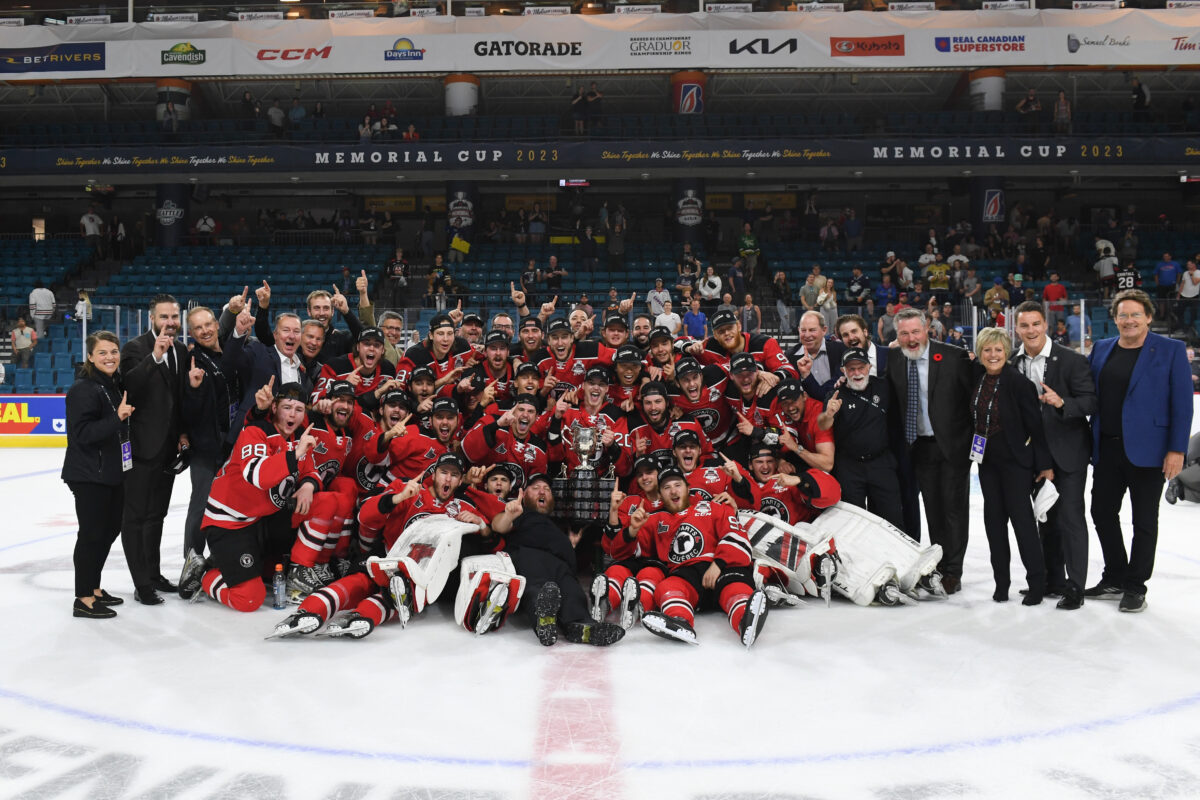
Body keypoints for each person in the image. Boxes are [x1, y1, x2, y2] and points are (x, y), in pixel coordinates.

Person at [1086, 289, 1192, 613]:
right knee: (1102, 513)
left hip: (1150, 452)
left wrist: (1176, 449)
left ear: (1148, 316)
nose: (1128, 320)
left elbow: (1183, 404)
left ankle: (1136, 585)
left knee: (1144, 520)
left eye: (1135, 314)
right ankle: (1115, 575)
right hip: (1107, 448)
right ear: (1114, 319)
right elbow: (1087, 393)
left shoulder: (1171, 350)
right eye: (1122, 315)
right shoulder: (1102, 349)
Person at [1012, 301, 1097, 610]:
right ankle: (1052, 579)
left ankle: (1075, 586)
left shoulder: (1071, 360)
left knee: (1071, 519)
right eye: (1024, 325)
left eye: (1036, 324)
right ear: (1017, 328)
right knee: (1045, 518)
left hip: (1069, 453)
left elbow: (1089, 402)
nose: (1031, 330)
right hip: (1035, 455)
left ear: (1045, 325)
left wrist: (1062, 403)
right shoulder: (1013, 361)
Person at [887, 308, 974, 594]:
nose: (911, 339)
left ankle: (953, 571)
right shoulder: (894, 358)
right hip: (919, 447)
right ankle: (939, 563)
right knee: (934, 509)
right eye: (904, 334)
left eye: (915, 332)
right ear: (896, 336)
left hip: (952, 447)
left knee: (954, 510)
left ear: (927, 329)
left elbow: (974, 396)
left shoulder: (954, 356)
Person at [972, 327, 1055, 605]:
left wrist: (1043, 464)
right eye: (987, 349)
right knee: (994, 524)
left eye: (998, 349)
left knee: (1023, 525)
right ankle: (1001, 583)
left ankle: (1037, 583)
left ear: (1006, 352)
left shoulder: (1019, 383)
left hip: (1017, 465)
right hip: (987, 465)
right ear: (981, 353)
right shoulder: (978, 379)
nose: (992, 355)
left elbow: (1036, 426)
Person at [489, 476, 624, 646]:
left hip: (561, 564)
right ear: (524, 495)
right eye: (536, 487)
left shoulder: (555, 526)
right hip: (529, 557)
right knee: (538, 588)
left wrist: (568, 545)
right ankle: (544, 621)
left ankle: (583, 628)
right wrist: (508, 515)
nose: (542, 491)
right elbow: (497, 526)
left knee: (573, 594)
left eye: (546, 488)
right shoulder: (520, 513)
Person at [120, 295, 191, 605]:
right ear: (152, 319)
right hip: (139, 447)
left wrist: (183, 434)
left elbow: (178, 398)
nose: (170, 323)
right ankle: (141, 584)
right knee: (135, 518)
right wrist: (155, 356)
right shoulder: (135, 348)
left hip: (167, 449)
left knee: (157, 516)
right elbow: (129, 386)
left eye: (174, 317)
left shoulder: (182, 350)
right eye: (164, 317)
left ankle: (153, 573)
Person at [62, 331, 135, 619]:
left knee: (109, 530)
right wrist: (116, 419)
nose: (110, 357)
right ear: (90, 356)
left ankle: (93, 587)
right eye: (102, 352)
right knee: (92, 535)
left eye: (114, 351)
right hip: (89, 474)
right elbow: (82, 434)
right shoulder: (84, 389)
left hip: (111, 472)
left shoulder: (112, 384)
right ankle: (83, 597)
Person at [817, 349, 905, 531]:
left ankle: (895, 559)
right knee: (852, 523)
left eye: (861, 368)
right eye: (851, 369)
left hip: (881, 464)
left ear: (869, 367)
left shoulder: (883, 386)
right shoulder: (835, 395)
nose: (857, 373)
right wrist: (829, 413)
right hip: (849, 468)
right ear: (843, 371)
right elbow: (823, 425)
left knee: (892, 520)